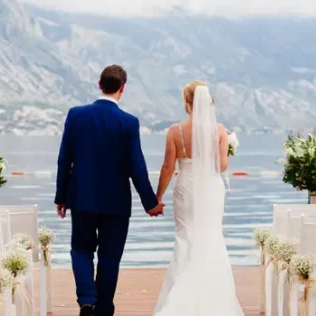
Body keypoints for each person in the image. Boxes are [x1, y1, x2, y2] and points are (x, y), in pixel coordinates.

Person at [54, 64, 166, 316]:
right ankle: (103, 309)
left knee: (81, 249)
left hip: (81, 199)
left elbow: (64, 160)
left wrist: (61, 197)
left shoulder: (76, 115)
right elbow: (137, 167)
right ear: (122, 89)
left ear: (99, 84)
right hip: (116, 203)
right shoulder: (128, 122)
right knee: (109, 257)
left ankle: (86, 300)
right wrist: (151, 203)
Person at [152, 81, 244, 316]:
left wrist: (157, 196)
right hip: (212, 188)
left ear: (187, 102)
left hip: (186, 187)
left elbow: (167, 167)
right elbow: (221, 165)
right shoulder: (220, 131)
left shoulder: (175, 131)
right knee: (212, 235)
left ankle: (179, 296)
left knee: (185, 236)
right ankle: (214, 298)